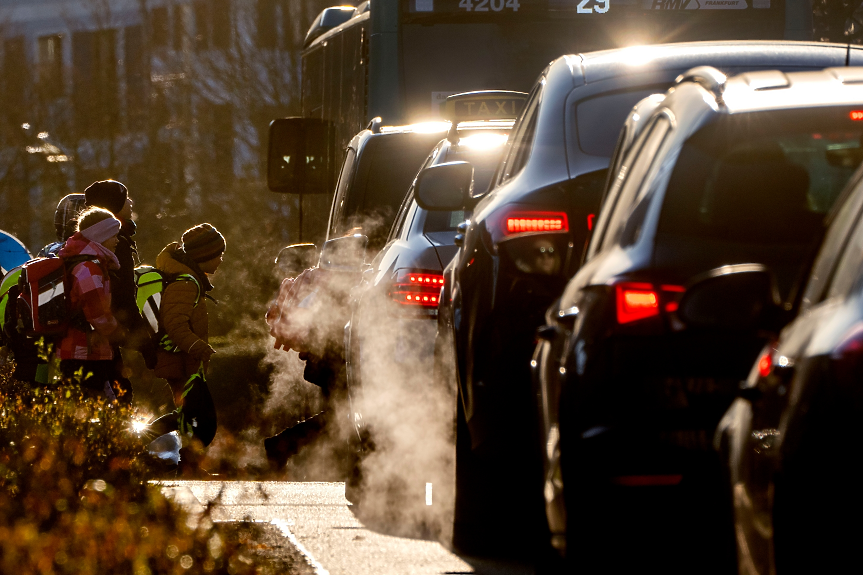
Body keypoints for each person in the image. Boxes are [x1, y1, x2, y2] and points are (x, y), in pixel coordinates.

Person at [147, 224, 225, 473]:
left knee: (189, 416)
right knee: (202, 421)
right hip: (182, 360)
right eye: (218, 254)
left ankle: (187, 463)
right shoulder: (186, 283)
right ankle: (136, 442)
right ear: (204, 256)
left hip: (185, 360)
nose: (221, 259)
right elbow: (175, 323)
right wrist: (198, 347)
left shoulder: (191, 280)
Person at [57, 207, 128, 400]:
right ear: (100, 236)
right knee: (94, 409)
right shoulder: (89, 268)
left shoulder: (87, 263)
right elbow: (97, 314)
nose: (117, 240)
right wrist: (118, 332)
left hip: (79, 351)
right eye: (113, 235)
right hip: (84, 352)